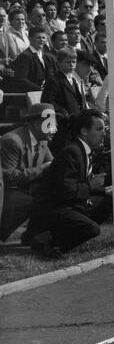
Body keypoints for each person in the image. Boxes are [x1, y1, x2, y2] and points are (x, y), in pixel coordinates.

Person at [25, 108, 111, 258]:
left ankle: (55, 236)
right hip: (53, 207)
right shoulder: (72, 152)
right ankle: (49, 243)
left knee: (110, 201)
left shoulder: (83, 150)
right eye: (99, 129)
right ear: (84, 131)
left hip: (67, 203)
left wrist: (104, 190)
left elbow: (78, 184)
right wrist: (92, 185)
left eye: (105, 129)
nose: (104, 133)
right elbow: (67, 191)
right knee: (92, 229)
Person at [0, 102, 55, 244]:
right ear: (37, 123)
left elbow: (54, 165)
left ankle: (34, 236)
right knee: (37, 201)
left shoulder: (42, 139)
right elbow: (9, 177)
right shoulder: (12, 141)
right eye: (50, 123)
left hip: (25, 188)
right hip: (8, 193)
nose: (54, 128)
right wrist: (41, 169)